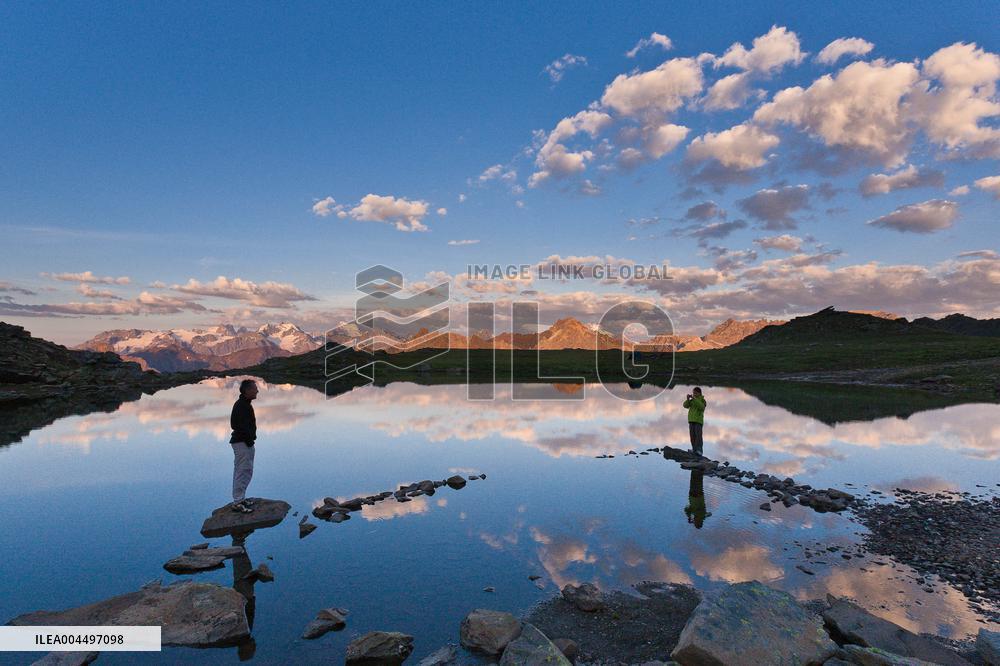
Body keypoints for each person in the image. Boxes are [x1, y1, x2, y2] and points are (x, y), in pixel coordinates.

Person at [230, 379, 258, 513]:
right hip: (242, 443)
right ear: (247, 391)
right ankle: (238, 502)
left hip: (243, 442)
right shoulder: (241, 405)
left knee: (244, 470)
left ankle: (240, 499)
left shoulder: (244, 404)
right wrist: (249, 439)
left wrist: (251, 438)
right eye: (254, 388)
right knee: (243, 471)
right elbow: (236, 425)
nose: (257, 391)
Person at [683, 387, 706, 456]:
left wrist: (694, 399)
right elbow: (685, 405)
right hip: (691, 420)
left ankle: (699, 451)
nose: (694, 394)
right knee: (692, 436)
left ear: (699, 393)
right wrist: (687, 399)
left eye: (695, 393)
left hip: (698, 421)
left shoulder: (703, 400)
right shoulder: (692, 400)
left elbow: (702, 407)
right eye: (693, 393)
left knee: (698, 436)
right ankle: (694, 449)